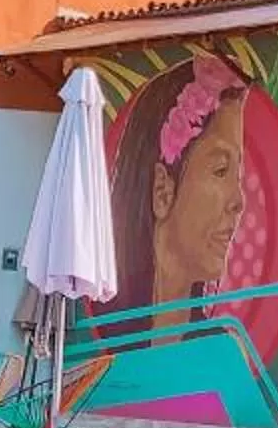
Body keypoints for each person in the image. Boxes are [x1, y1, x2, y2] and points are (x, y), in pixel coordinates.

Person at [106, 54, 250, 325]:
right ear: (162, 190)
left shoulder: (220, 352)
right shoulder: (97, 349)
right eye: (220, 170)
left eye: (238, 173)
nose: (238, 201)